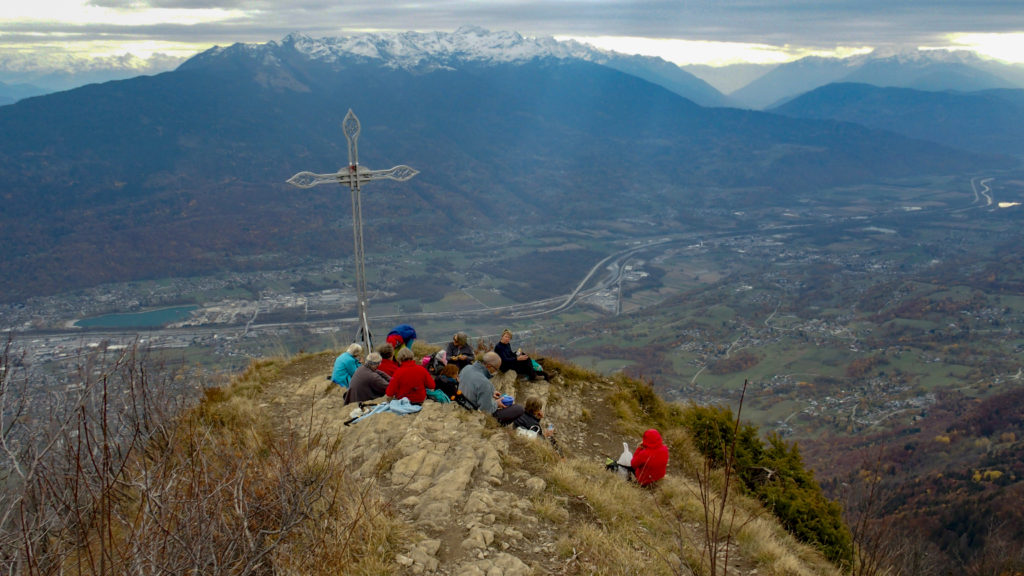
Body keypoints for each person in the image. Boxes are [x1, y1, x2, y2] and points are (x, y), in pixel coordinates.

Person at [459, 351, 524, 422]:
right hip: (473, 413)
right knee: (519, 409)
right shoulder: (485, 383)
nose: (495, 372)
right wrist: (497, 403)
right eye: (496, 369)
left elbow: (473, 387)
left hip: (462, 404)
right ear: (489, 366)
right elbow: (486, 410)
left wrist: (490, 393)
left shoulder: (466, 368)